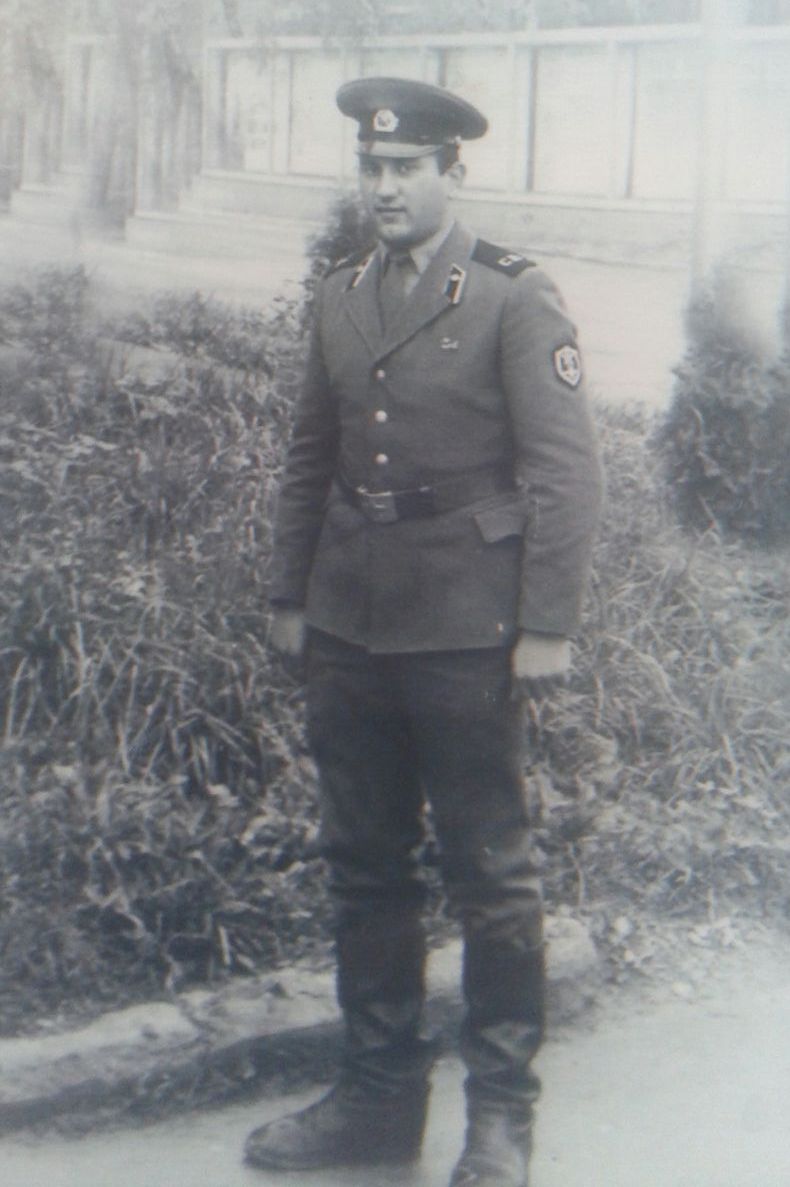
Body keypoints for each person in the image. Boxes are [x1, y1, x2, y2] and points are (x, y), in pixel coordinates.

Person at [244, 76, 604, 1187]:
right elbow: (311, 456)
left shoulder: (510, 294)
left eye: (406, 169)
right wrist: (289, 594)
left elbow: (566, 474)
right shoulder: (342, 293)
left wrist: (544, 624)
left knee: (491, 872)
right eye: (373, 168)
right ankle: (378, 1099)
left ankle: (500, 1116)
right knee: (365, 865)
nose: (386, 187)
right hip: (350, 619)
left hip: (465, 622)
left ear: (453, 173)